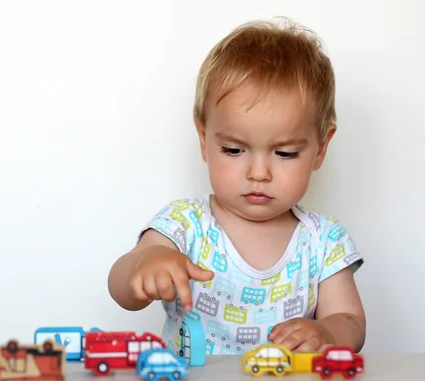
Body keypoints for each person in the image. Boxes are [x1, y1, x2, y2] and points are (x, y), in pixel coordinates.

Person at [107, 18, 366, 355]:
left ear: (320, 148)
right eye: (233, 150)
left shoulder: (323, 242)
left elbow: (350, 320)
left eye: (285, 153)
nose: (258, 173)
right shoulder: (185, 224)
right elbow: (120, 286)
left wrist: (327, 333)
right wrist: (146, 263)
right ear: (204, 140)